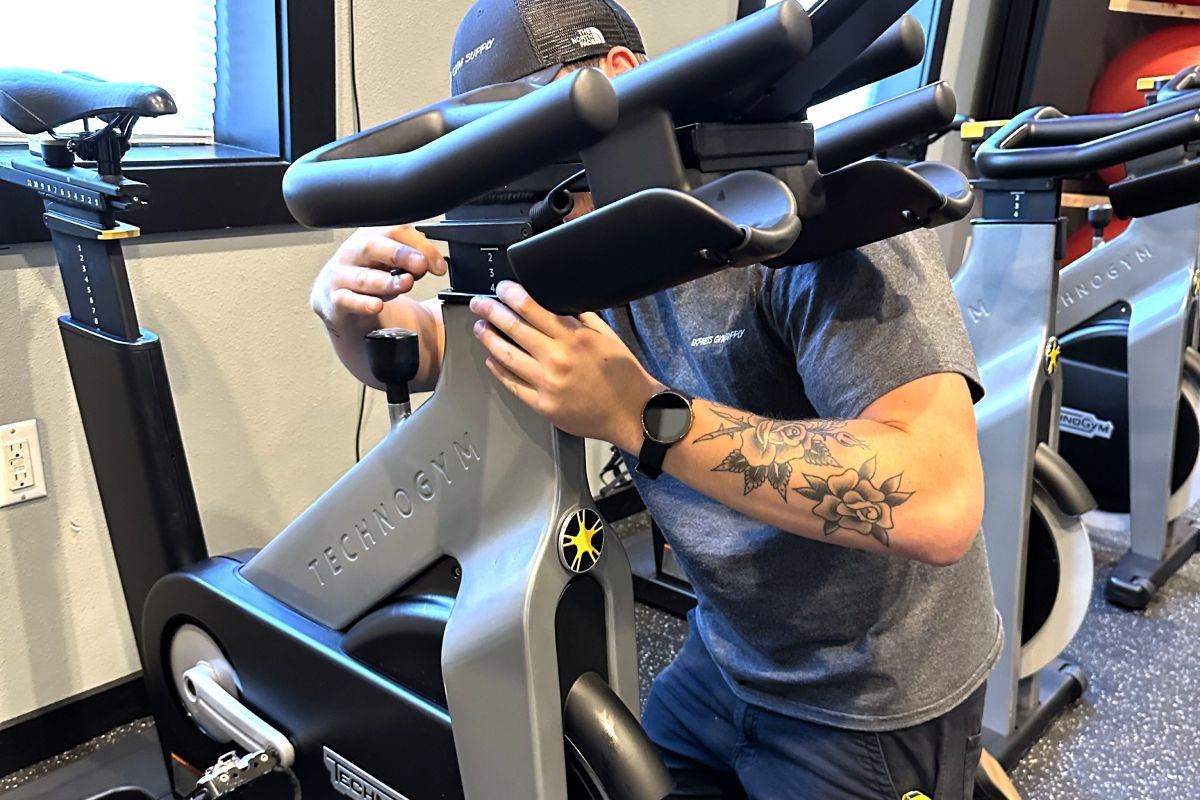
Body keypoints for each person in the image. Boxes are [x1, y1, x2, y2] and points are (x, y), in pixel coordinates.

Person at [310, 1, 1000, 798]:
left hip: (871, 694)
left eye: (526, 127)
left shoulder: (815, 220)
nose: (515, 175)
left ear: (617, 82)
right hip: (725, 661)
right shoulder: (579, 230)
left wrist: (641, 417)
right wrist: (346, 313)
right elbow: (434, 348)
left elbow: (939, 499)